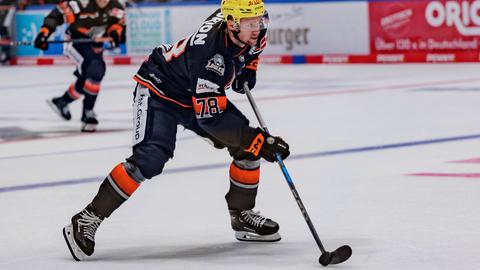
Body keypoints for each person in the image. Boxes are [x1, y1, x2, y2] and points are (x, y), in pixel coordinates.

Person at [62, 0, 290, 261]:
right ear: (231, 24)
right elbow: (211, 119)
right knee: (150, 157)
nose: (258, 28)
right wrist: (260, 141)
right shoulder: (208, 55)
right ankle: (87, 218)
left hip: (195, 91)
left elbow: (252, 50)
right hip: (161, 89)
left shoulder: (250, 29)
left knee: (245, 146)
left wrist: (249, 67)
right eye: (251, 24)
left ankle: (241, 216)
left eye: (260, 21)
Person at [34, 0, 125, 132]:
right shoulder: (81, 3)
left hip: (94, 46)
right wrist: (44, 33)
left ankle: (62, 101)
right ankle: (87, 113)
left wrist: (115, 34)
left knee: (89, 79)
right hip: (75, 43)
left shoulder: (116, 6)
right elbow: (56, 16)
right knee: (95, 70)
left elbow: (116, 25)